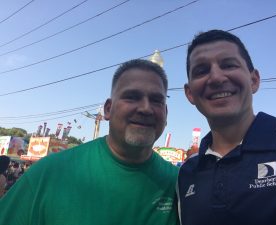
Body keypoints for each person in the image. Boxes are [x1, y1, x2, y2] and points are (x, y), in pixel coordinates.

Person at [0, 59, 179, 225]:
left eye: (156, 100)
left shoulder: (180, 184)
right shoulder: (48, 173)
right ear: (108, 109)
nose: (146, 108)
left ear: (166, 113)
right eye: (132, 97)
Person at [177, 30, 276, 225]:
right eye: (201, 71)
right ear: (190, 93)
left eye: (228, 65)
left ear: (254, 80)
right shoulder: (187, 173)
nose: (216, 78)